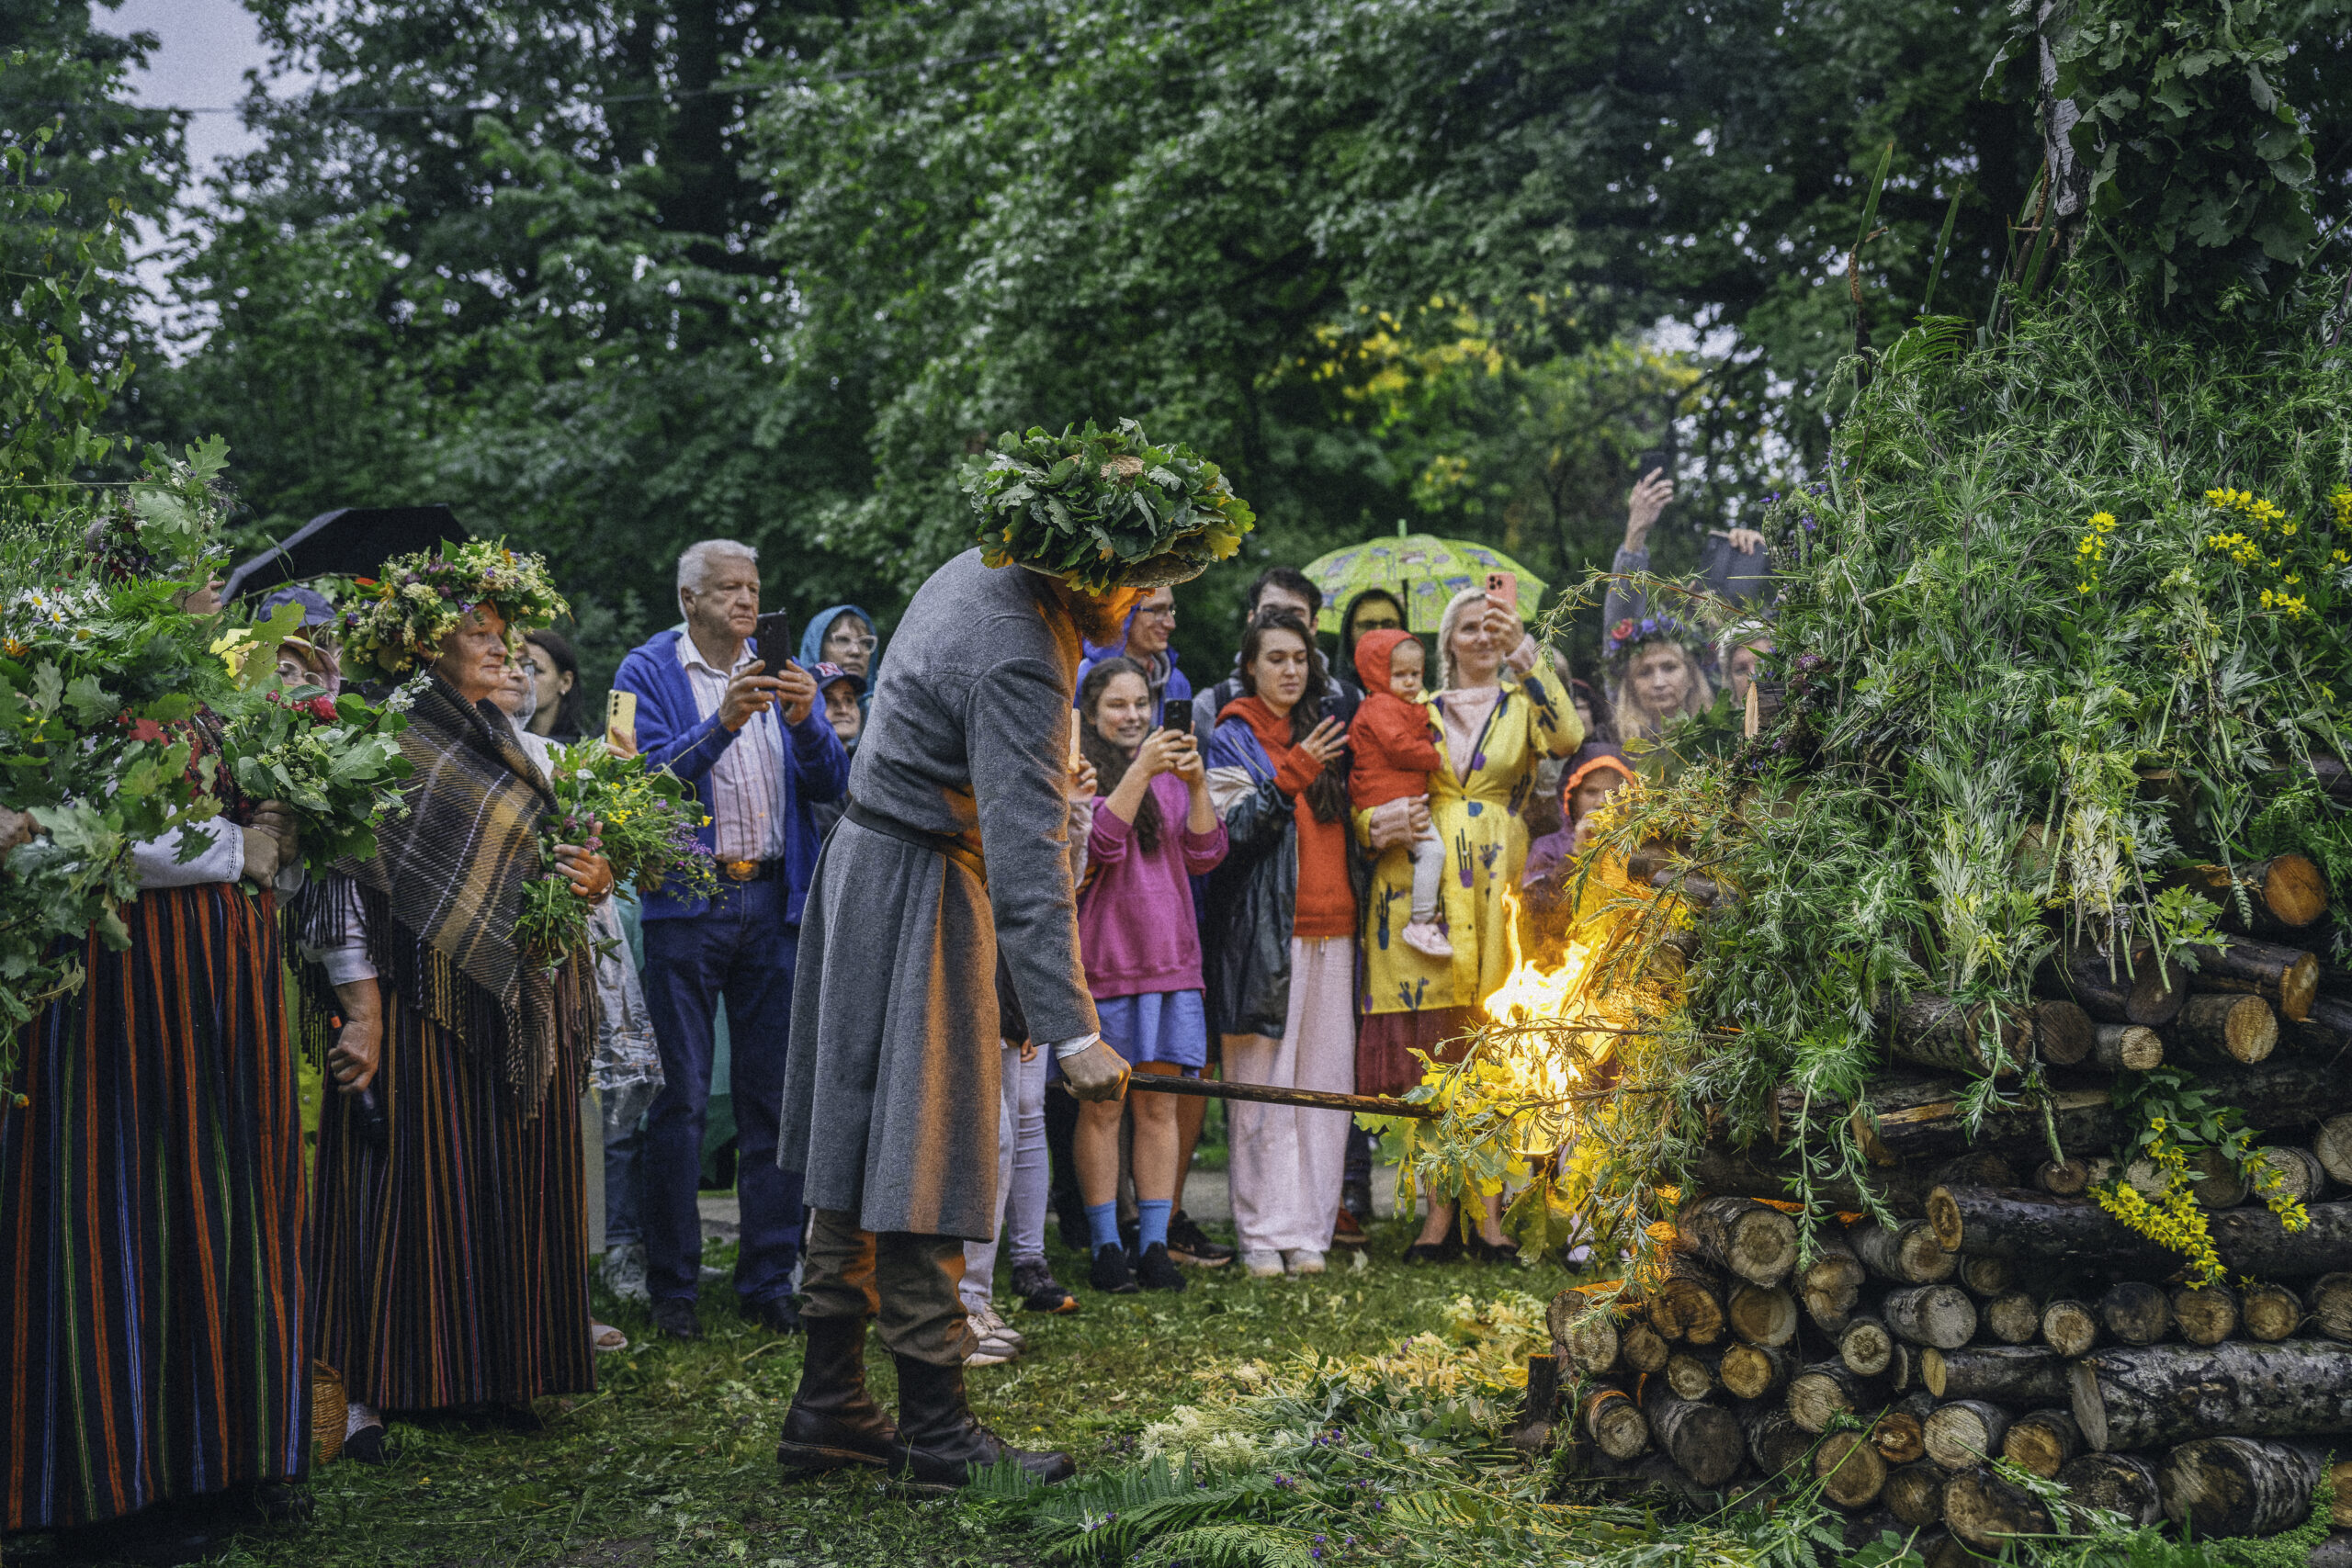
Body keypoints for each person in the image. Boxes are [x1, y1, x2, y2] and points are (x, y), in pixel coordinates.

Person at [775, 526, 1174, 1490]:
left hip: (879, 869)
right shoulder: (1020, 650)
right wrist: (1074, 1029)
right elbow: (1028, 859)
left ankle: (827, 1408)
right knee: (922, 1148)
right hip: (915, 886)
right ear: (1091, 572)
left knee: (862, 1142)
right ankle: (934, 1434)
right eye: (1135, 587)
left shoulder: (984, 570)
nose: (1139, 609)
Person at [3, 577, 311, 1559]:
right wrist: (238, 848)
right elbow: (70, 830)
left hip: (218, 991)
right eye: (189, 572)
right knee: (117, 1203)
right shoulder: (82, 670)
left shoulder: (214, 681)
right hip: (119, 991)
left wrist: (278, 824)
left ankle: (217, 1459)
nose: (211, 589)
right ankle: (111, 1487)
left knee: (219, 1206)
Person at [301, 550, 612, 1451]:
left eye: (503, 631)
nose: (500, 646)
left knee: (497, 1178)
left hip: (516, 999)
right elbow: (342, 882)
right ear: (425, 642)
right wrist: (359, 1007)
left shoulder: (506, 737)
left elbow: (544, 858)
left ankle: (492, 1371)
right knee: (409, 1184)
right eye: (479, 631)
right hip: (417, 998)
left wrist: (590, 875)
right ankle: (376, 1383)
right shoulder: (385, 735)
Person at [613, 540, 849, 1341]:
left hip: (773, 899)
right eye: (727, 588)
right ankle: (673, 1287)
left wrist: (807, 720)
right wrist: (721, 723)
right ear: (689, 599)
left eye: (753, 587)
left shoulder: (785, 673)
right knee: (677, 1102)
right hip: (687, 904)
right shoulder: (646, 670)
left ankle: (767, 1279)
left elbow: (834, 785)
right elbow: (634, 783)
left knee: (772, 1103)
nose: (746, 601)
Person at [1355, 586, 1581, 1264]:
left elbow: (1569, 737)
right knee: (1429, 1054)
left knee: (1489, 1049)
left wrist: (1525, 654)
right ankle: (1436, 1214)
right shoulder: (1409, 708)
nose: (1482, 638)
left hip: (1495, 888)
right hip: (1416, 889)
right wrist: (1373, 824)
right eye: (1469, 628)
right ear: (1446, 639)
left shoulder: (1525, 703)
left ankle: (1488, 1212)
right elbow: (1364, 786)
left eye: (1496, 629)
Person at [492, 662, 645, 1359]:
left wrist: (605, 863)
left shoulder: (558, 757)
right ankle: (493, 1307)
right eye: (493, 644)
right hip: (478, 975)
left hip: (555, 978)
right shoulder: (424, 747)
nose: (514, 664)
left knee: (561, 1143)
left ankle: (562, 1302)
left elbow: (611, 851)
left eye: (521, 652)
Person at [1202, 610, 1355, 1278]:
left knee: (1324, 1089)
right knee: (1261, 1088)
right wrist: (1290, 773)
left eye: (1300, 658)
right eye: (1276, 659)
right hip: (1265, 935)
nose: (1290, 670)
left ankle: (1311, 1231)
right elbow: (1229, 833)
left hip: (1337, 931)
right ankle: (1262, 1232)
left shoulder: (1325, 729)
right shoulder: (1230, 735)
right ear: (1251, 666)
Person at [1073, 658, 1228, 1294]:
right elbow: (1100, 844)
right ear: (1090, 712)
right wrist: (1142, 768)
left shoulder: (1170, 776)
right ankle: (1106, 1244)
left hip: (1172, 964)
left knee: (1161, 1107)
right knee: (1104, 1109)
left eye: (1142, 702)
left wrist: (1194, 785)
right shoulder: (1080, 772)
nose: (1134, 715)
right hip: (1107, 965)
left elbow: (1205, 853)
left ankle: (1155, 1243)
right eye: (1118, 704)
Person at [1348, 627, 1450, 959]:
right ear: (1378, 674)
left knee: (1428, 853)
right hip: (1387, 796)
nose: (1410, 682)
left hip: (1392, 794)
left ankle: (1422, 916)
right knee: (1432, 851)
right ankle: (1420, 921)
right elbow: (1398, 746)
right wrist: (1435, 757)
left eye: (1416, 674)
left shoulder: (1396, 704)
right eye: (1399, 674)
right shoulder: (1380, 705)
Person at [1189, 566, 1360, 737]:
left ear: (1313, 625)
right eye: (1271, 612)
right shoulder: (1212, 705)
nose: (1282, 622)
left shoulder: (1348, 700)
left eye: (1295, 614)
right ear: (1251, 620)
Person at [1522, 741, 1638, 914]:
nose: (1602, 802)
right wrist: (1576, 854)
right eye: (1591, 791)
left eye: (1614, 793)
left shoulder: (1638, 847)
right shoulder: (1548, 848)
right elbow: (1536, 909)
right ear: (1572, 797)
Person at [1076, 584, 1190, 725]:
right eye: (1158, 611)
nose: (1170, 624)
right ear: (1124, 612)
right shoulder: (1082, 680)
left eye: (1170, 610)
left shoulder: (1176, 683)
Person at [1605, 618, 1714, 742]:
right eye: (1644, 673)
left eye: (1669, 668)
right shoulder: (1614, 742)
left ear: (1691, 676)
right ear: (1631, 686)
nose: (1658, 683)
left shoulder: (1717, 734)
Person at [808, 660, 865, 839]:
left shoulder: (870, 765)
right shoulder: (808, 773)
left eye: (849, 699)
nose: (843, 709)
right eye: (827, 700)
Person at [799, 604, 882, 712]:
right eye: (843, 640)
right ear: (817, 647)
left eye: (865, 642)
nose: (856, 651)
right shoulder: (786, 714)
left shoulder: (886, 713)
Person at [519, 628, 588, 742]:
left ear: (565, 682)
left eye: (535, 671)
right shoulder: (500, 741)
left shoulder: (583, 753)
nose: (522, 676)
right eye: (517, 667)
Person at [1338, 586, 1407, 681]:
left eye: (1389, 625)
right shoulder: (1335, 692)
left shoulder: (1422, 692)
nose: (1379, 633)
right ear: (1349, 633)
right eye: (1368, 625)